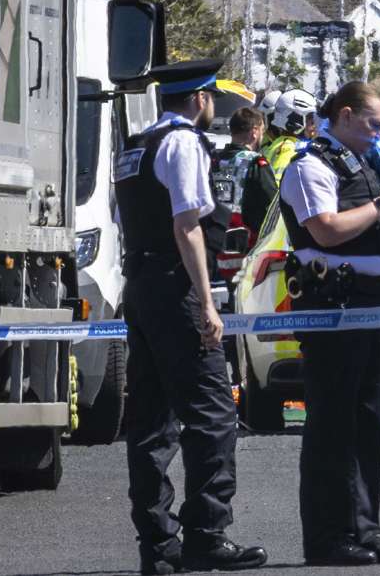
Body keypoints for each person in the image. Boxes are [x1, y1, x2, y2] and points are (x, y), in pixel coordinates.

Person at [113, 59, 267, 575]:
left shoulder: (136, 146)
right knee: (213, 415)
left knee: (153, 422)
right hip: (175, 287)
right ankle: (206, 534)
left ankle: (157, 546)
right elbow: (187, 226)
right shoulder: (182, 144)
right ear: (200, 99)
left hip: (141, 284)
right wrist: (206, 302)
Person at [278, 81, 380, 566]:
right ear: (343, 115)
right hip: (334, 304)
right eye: (374, 124)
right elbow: (327, 230)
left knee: (368, 422)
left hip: (375, 302)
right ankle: (327, 536)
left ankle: (365, 528)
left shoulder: (369, 163)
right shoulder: (310, 165)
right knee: (332, 424)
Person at [212, 107, 277, 241]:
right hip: (246, 245)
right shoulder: (256, 163)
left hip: (214, 239)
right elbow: (272, 207)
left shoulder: (213, 161)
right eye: (262, 131)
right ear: (254, 131)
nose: (262, 136)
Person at [262, 88, 318, 180]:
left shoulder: (281, 143)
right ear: (296, 121)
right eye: (311, 121)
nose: (314, 126)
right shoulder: (288, 148)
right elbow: (276, 186)